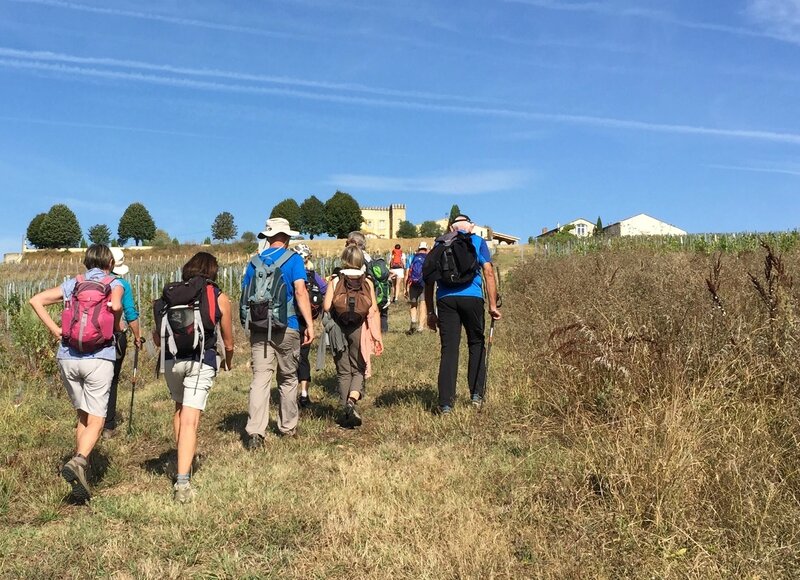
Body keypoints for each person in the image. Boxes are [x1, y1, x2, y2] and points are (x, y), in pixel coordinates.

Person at [29, 244, 124, 502]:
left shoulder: (73, 283)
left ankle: (82, 472)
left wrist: (56, 331)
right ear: (110, 263)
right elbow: (115, 306)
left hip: (68, 357)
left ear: (86, 261)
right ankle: (80, 460)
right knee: (97, 420)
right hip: (99, 357)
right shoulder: (114, 282)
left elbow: (35, 300)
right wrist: (117, 326)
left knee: (82, 415)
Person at [153, 252, 234, 503]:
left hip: (171, 361)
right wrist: (228, 360)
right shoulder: (217, 296)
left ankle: (182, 462)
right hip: (201, 360)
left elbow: (158, 338)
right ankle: (183, 483)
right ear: (213, 271)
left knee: (179, 410)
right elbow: (228, 340)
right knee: (191, 419)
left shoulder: (168, 297)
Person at [242, 218, 314, 449]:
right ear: (287, 237)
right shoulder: (293, 260)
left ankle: (255, 431)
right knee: (288, 378)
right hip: (288, 325)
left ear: (269, 237)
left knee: (260, 379)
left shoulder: (254, 263)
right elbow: (300, 291)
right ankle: (288, 426)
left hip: (260, 327)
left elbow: (245, 294)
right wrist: (310, 324)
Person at [425, 214, 501, 413]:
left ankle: (446, 404)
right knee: (476, 343)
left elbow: (429, 278)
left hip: (445, 299)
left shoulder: (440, 243)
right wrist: (493, 305)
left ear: (452, 227)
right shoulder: (477, 241)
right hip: (473, 298)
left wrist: (430, 312)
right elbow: (489, 272)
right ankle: (476, 394)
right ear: (472, 226)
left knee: (449, 349)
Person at [323, 244, 383, 427]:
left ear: (343, 260)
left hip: (338, 329)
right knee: (358, 368)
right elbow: (373, 309)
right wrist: (377, 335)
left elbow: (326, 307)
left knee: (343, 371)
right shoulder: (367, 282)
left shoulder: (335, 281)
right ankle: (352, 401)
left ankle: (345, 412)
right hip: (360, 329)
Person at [103, 247, 143, 439]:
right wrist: (137, 336)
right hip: (115, 337)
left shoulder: (90, 281)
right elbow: (131, 314)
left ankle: (88, 421)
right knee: (112, 380)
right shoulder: (121, 284)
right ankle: (108, 426)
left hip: (91, 338)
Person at [293, 243, 328, 408]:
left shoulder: (290, 273)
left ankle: (289, 392)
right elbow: (326, 290)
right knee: (304, 358)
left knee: (289, 358)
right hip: (309, 322)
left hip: (291, 320)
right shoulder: (314, 276)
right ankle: (305, 394)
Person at [346, 231, 390, 334]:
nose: (346, 244)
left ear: (353, 242)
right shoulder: (369, 257)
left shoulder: (357, 257)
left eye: (347, 242)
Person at [405, 241, 429, 334]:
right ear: (426, 249)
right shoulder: (428, 257)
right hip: (423, 284)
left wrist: (405, 287)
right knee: (423, 303)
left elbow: (407, 272)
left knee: (413, 304)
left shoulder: (411, 257)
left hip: (413, 283)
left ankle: (413, 321)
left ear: (418, 248)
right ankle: (420, 327)